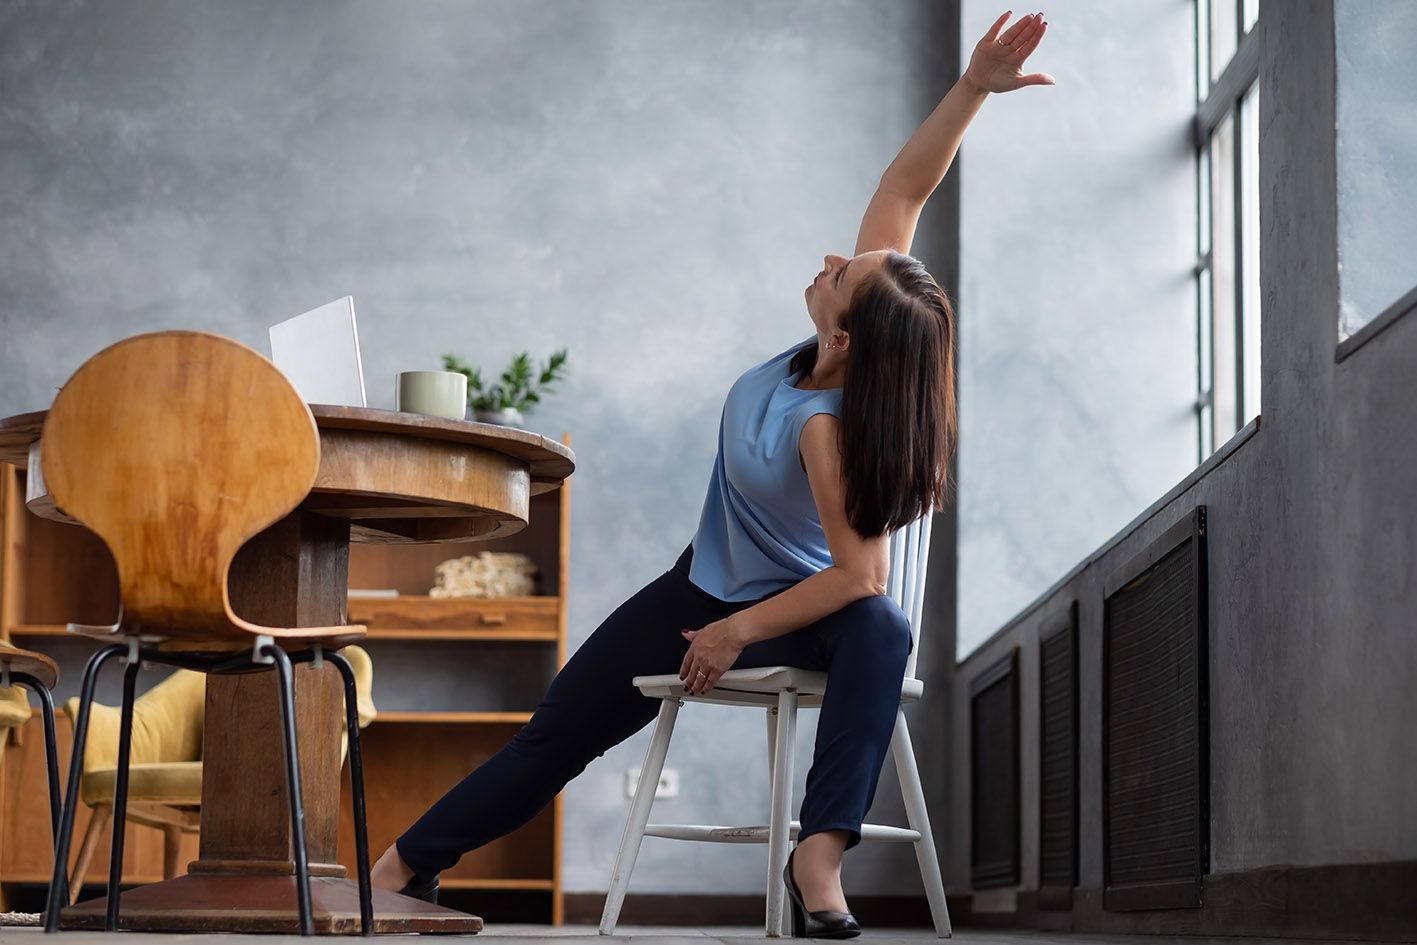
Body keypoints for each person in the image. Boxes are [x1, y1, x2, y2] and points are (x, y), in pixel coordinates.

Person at [370, 11, 1052, 938]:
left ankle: (818, 857)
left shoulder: (828, 430)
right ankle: (405, 865)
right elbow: (906, 182)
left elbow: (859, 576)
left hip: (795, 613)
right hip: (699, 584)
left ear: (844, 338)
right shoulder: (840, 343)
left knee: (879, 625)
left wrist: (734, 632)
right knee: (556, 732)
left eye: (842, 274)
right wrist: (973, 88)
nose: (831, 260)